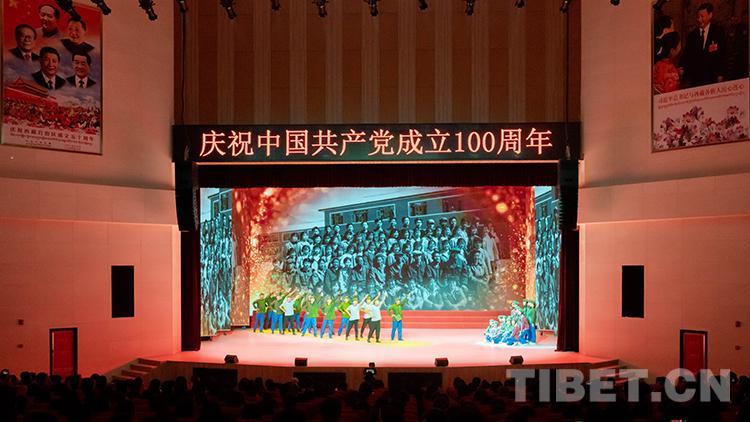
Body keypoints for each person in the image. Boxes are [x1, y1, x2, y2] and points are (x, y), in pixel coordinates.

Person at [681, 2, 727, 88]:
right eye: (698, 17)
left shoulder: (718, 32)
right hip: (695, 78)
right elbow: (687, 55)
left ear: (710, 15)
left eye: (702, 16)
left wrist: (721, 74)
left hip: (712, 77)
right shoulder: (692, 35)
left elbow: (723, 54)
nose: (699, 20)